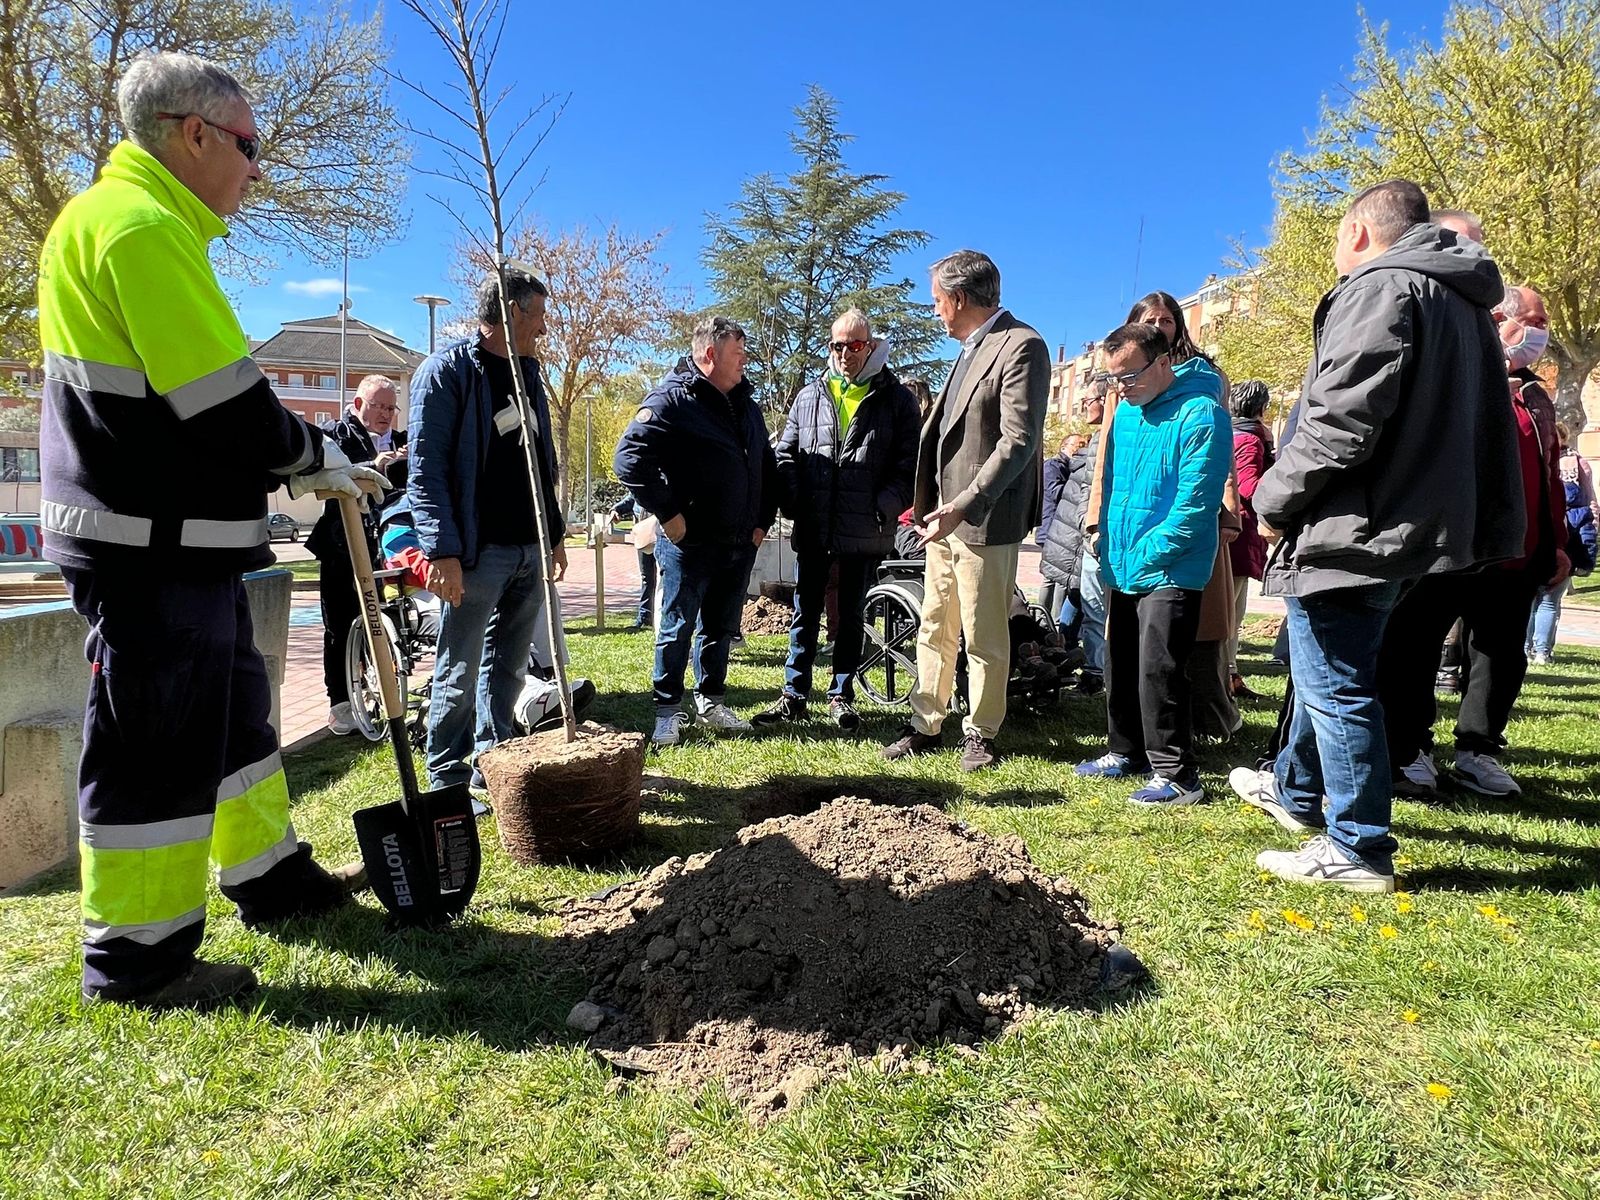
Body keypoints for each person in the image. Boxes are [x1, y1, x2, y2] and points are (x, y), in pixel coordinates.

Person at [37, 51, 385, 1007]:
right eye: (247, 145)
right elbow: (225, 403)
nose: (256, 168)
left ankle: (269, 878)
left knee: (235, 720)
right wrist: (314, 458)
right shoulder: (141, 228)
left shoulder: (140, 225)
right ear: (193, 135)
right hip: (144, 546)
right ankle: (138, 959)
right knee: (155, 745)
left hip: (176, 541)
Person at [1229, 179, 1522, 892]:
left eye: (1336, 236)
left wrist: (1269, 500)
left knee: (1336, 683)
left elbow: (1338, 422)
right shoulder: (1462, 301)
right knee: (1328, 666)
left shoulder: (1381, 286)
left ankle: (1358, 847)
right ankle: (1296, 794)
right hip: (1406, 524)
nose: (1335, 251)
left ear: (1359, 231)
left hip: (1356, 525)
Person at [1378, 284, 1570, 799]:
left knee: (1501, 652)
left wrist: (1557, 542)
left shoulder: (1535, 395)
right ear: (1499, 320)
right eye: (1532, 318)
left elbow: (1549, 472)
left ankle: (1478, 750)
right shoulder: (1455, 372)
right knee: (1414, 645)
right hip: (1450, 545)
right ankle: (1409, 750)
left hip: (1517, 552)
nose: (1540, 331)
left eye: (1543, 321)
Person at [880, 250, 1051, 771]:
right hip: (943, 521)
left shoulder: (1022, 346)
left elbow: (1018, 442)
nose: (935, 311)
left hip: (984, 518)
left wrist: (965, 504)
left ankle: (981, 731)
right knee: (935, 622)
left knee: (983, 631)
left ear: (957, 299)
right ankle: (926, 721)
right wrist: (934, 507)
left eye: (936, 301)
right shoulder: (969, 349)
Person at [408, 267, 568, 797]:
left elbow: (543, 460)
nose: (544, 327)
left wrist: (555, 535)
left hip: (528, 547)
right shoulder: (445, 373)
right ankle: (447, 778)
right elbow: (426, 470)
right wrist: (443, 552)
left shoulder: (529, 373)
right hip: (477, 553)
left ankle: (493, 759)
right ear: (508, 313)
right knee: (459, 667)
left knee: (509, 667)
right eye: (538, 315)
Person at [1073, 323, 1231, 804]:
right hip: (1121, 562)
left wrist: (1146, 552)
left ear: (1163, 363)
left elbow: (1195, 506)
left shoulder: (1203, 415)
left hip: (1172, 567)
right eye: (1112, 380)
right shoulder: (1124, 417)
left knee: (1160, 668)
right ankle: (1125, 751)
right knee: (1119, 663)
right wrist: (1102, 537)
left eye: (1129, 377)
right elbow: (1112, 486)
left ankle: (1177, 774)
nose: (1121, 388)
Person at [613, 317, 777, 747]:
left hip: (739, 542)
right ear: (710, 355)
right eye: (737, 353)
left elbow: (765, 466)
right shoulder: (672, 400)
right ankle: (667, 711)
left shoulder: (745, 404)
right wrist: (669, 514)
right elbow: (629, 459)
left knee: (721, 627)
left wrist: (761, 523)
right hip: (690, 544)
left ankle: (711, 700)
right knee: (678, 625)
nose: (745, 360)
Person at [755, 309, 919, 731]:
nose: (846, 353)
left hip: (864, 529)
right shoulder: (809, 396)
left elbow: (909, 466)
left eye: (856, 345)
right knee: (803, 612)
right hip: (814, 525)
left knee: (850, 616)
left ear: (872, 345)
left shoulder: (897, 400)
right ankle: (793, 694)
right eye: (838, 345)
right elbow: (785, 454)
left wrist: (882, 506)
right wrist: (794, 499)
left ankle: (841, 696)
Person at [310, 375, 407, 734]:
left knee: (386, 620)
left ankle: (385, 690)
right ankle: (340, 704)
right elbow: (324, 471)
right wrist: (374, 465)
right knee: (339, 624)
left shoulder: (406, 442)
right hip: (341, 545)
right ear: (357, 405)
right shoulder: (336, 434)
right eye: (377, 406)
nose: (384, 414)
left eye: (390, 407)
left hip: (385, 545)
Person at [1528, 423, 1598, 663]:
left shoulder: (1535, 460)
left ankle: (1525, 647)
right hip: (1570, 538)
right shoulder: (1580, 464)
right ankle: (1542, 652)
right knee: (1550, 601)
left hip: (1537, 533)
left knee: (1530, 598)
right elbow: (1591, 503)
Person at [1228, 381, 1274, 698]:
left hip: (1228, 534)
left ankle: (1229, 675)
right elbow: (1249, 487)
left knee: (1229, 612)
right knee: (1231, 613)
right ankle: (1226, 677)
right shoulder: (1250, 441)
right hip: (1240, 535)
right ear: (1260, 409)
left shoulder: (1228, 433)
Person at [609, 493, 657, 630]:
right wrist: (616, 509)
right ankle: (645, 616)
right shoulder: (641, 477)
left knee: (666, 578)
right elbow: (632, 498)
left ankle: (668, 616)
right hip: (644, 536)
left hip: (665, 532)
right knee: (647, 577)